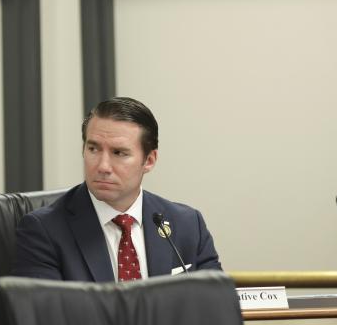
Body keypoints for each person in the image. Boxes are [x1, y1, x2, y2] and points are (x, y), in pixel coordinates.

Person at [13, 96, 222, 281]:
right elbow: (48, 318)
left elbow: (216, 308)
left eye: (119, 153)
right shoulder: (43, 231)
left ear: (149, 160)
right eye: (93, 149)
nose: (103, 166)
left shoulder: (187, 225)